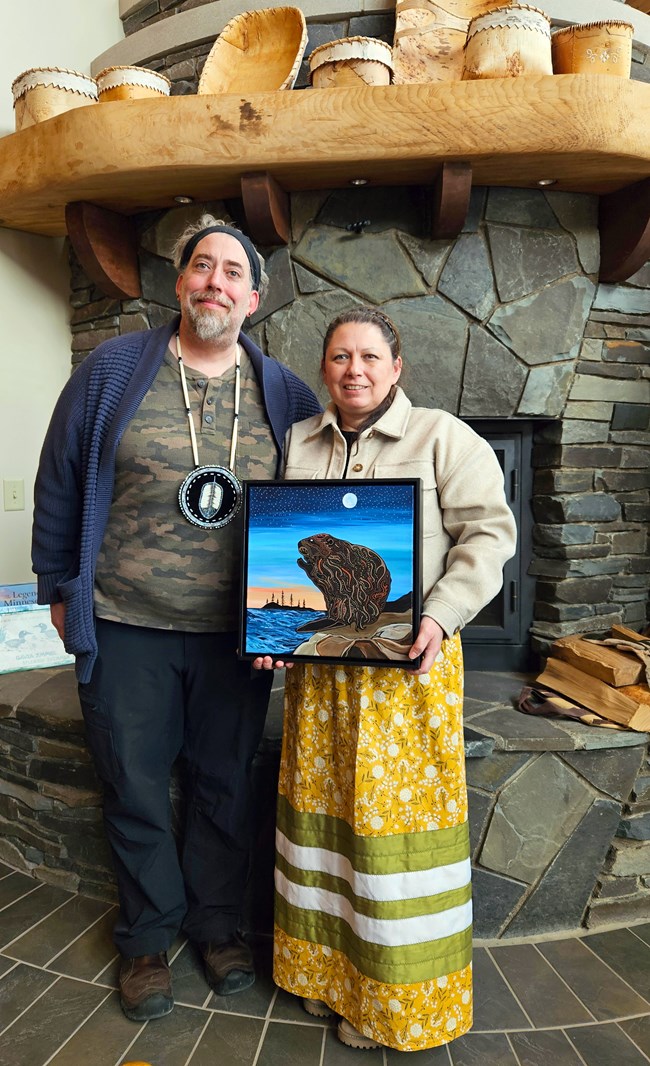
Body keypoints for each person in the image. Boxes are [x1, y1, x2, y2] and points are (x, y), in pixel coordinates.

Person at [31, 215, 321, 1023]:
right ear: (179, 280)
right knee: (134, 785)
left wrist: (298, 625)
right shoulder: (111, 370)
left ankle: (218, 926)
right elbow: (59, 478)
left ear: (254, 299)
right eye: (203, 266)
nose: (215, 282)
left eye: (233, 272)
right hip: (125, 623)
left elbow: (305, 512)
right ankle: (148, 939)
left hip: (237, 638)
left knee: (224, 786)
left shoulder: (286, 393)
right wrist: (59, 586)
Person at [255, 307, 517, 1052]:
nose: (355, 370)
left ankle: (389, 1002)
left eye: (370, 356)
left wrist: (441, 614)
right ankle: (324, 977)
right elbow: (272, 552)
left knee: (387, 836)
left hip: (410, 670)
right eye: (340, 357)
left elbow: (490, 535)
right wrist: (267, 633)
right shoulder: (299, 442)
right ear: (325, 369)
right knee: (323, 819)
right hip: (324, 679)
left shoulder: (443, 438)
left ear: (397, 366)